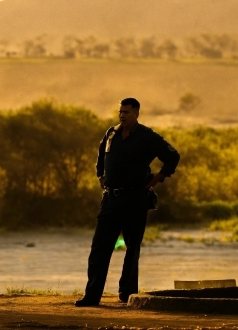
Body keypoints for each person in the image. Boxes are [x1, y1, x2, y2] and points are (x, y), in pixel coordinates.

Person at [75, 97, 180, 307]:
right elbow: (100, 159)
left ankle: (127, 294)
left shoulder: (146, 137)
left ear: (137, 114)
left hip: (135, 198)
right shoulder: (111, 133)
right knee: (99, 248)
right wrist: (101, 178)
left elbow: (172, 156)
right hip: (110, 199)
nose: (122, 115)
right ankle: (92, 296)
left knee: (132, 249)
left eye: (127, 112)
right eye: (120, 112)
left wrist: (156, 180)